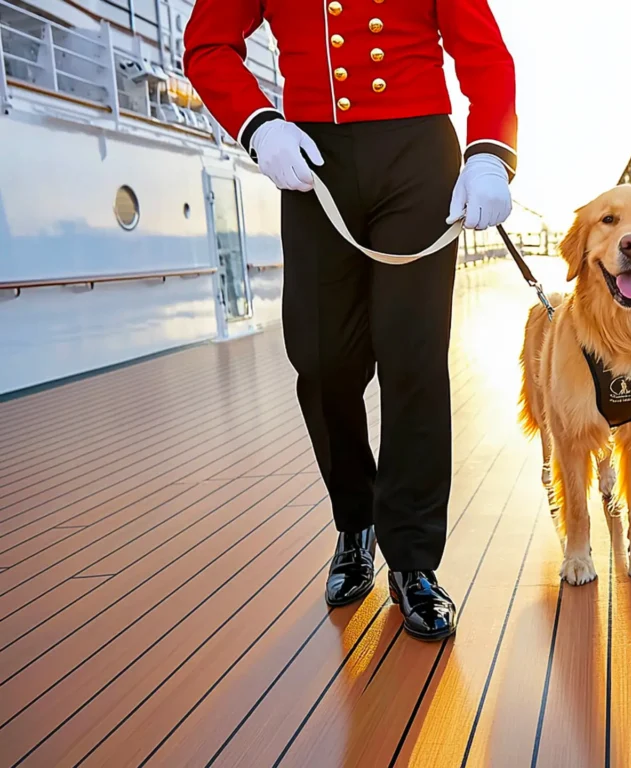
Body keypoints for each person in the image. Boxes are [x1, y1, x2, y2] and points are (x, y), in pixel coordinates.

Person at [183, 0, 517, 641]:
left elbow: (483, 52)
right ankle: (354, 519)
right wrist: (258, 126)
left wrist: (489, 153)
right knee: (321, 359)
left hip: (417, 154)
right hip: (311, 152)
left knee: (413, 358)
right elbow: (207, 44)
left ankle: (414, 562)